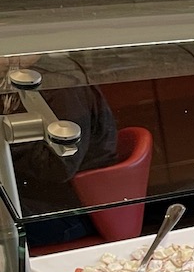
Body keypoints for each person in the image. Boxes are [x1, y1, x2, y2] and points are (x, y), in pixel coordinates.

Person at [1, 79, 119, 246]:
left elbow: (60, 166)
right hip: (33, 198)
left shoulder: (62, 87)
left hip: (71, 212)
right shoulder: (12, 80)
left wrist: (5, 144)